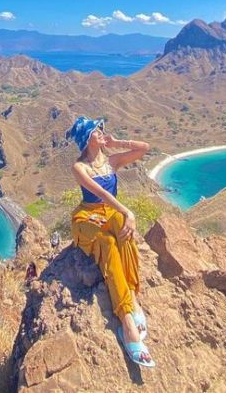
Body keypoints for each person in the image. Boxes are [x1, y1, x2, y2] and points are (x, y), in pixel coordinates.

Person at [66, 115, 155, 368]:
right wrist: (128, 211)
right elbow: (102, 194)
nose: (102, 131)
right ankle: (127, 322)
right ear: (87, 139)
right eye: (97, 130)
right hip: (87, 217)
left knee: (123, 231)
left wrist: (116, 142)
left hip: (110, 213)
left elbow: (144, 149)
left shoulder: (111, 161)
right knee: (108, 242)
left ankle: (132, 297)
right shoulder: (79, 167)